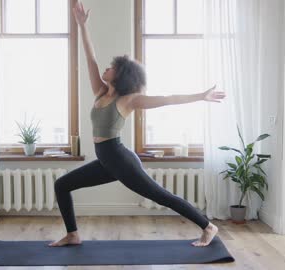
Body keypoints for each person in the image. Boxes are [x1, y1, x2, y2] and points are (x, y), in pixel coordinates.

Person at [49, 1, 226, 248]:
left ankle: (208, 226)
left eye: (112, 67)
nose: (107, 68)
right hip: (106, 161)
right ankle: (73, 234)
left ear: (120, 75)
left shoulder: (128, 100)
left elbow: (167, 99)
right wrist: (82, 26)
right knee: (63, 185)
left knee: (160, 196)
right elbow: (90, 57)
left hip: (121, 161)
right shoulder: (101, 92)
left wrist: (200, 96)